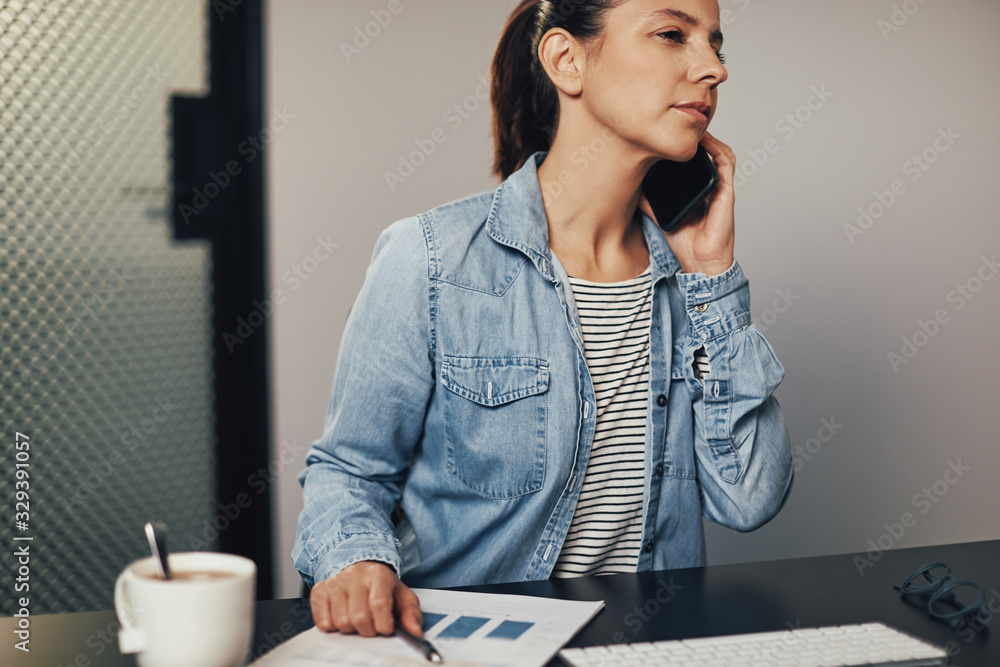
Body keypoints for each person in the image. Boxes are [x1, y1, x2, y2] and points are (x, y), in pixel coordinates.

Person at [293, 0, 793, 640]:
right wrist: (356, 559)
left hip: (647, 648)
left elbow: (750, 499)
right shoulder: (431, 260)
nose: (713, 69)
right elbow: (350, 472)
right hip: (464, 648)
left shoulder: (691, 284)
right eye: (673, 34)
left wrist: (713, 279)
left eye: (717, 45)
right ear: (566, 60)